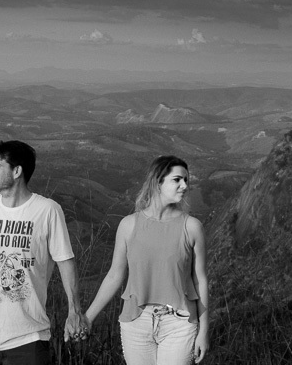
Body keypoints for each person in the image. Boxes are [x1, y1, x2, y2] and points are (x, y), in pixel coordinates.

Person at [0, 140, 87, 364]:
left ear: (17, 171)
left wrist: (74, 311)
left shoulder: (47, 211)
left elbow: (66, 261)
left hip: (28, 339)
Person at [83, 155, 209, 364]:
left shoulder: (192, 227)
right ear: (158, 182)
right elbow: (115, 275)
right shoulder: (128, 225)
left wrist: (204, 331)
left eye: (186, 180)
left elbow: (200, 280)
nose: (184, 186)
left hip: (180, 323)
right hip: (136, 322)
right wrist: (88, 317)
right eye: (177, 180)